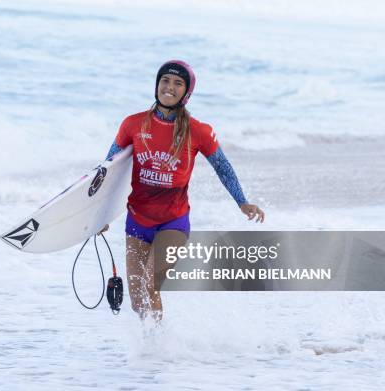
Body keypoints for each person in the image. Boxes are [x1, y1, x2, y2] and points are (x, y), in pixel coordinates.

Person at [101, 60, 265, 322]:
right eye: (165, 80)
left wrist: (242, 202)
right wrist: (100, 216)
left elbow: (222, 166)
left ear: (186, 92)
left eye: (178, 83)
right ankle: (151, 350)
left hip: (173, 222)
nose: (170, 87)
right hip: (137, 220)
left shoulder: (198, 131)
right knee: (136, 299)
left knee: (149, 284)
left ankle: (156, 351)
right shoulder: (133, 124)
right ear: (157, 85)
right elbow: (108, 170)